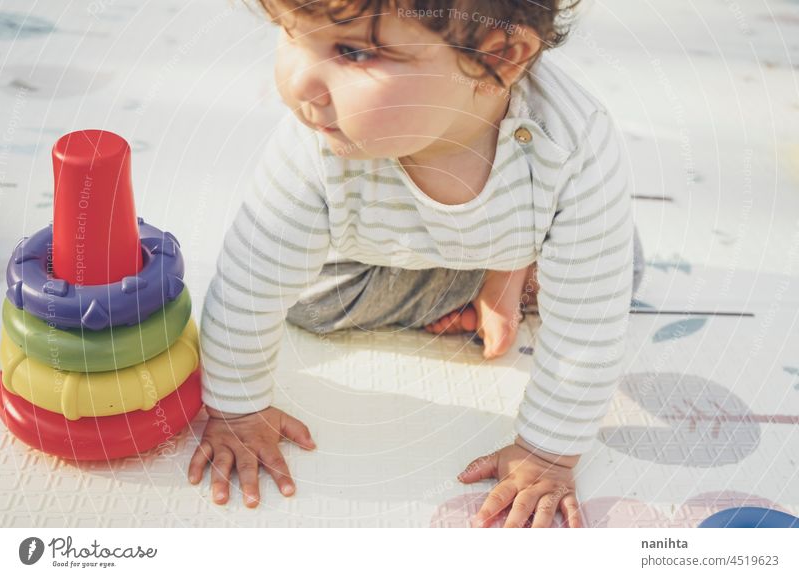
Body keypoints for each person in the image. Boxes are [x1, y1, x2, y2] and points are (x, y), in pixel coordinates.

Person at [188, 0, 646, 529]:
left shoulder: (571, 146)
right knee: (313, 302)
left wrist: (547, 453)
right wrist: (237, 407)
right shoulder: (314, 145)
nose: (298, 85)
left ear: (497, 56)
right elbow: (251, 279)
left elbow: (588, 328)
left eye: (353, 52)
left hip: (526, 223)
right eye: (290, 34)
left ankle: (514, 264)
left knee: (614, 273)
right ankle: (491, 272)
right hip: (381, 239)